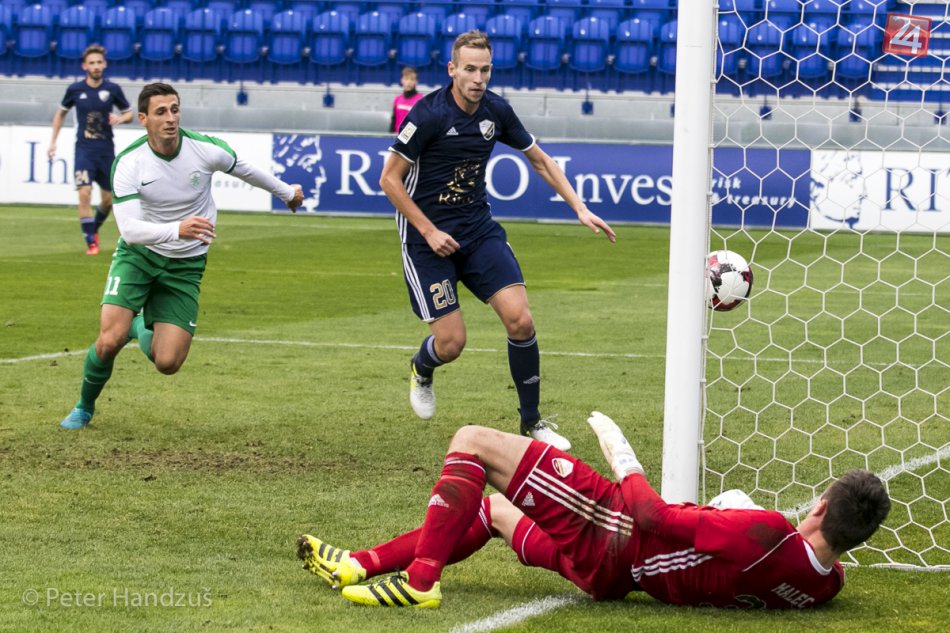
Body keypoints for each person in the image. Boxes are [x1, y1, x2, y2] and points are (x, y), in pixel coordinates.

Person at [297, 411, 890, 609]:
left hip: (613, 529)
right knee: (496, 511)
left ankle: (421, 581)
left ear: (820, 504)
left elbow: (653, 517)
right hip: (610, 579)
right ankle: (359, 564)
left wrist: (620, 453)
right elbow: (813, 563)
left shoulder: (769, 531)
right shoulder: (826, 585)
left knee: (472, 442)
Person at [379, 30, 616, 450]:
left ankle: (532, 422)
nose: (478, 78)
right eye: (469, 69)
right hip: (426, 239)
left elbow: (539, 160)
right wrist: (429, 231)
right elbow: (389, 180)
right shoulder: (428, 114)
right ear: (452, 70)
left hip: (477, 229)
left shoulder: (496, 110)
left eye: (485, 70)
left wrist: (579, 207)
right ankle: (422, 366)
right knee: (452, 343)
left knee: (521, 320)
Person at [59, 82, 304, 429]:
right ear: (143, 119)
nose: (171, 118)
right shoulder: (129, 162)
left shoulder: (204, 149)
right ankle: (84, 406)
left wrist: (287, 194)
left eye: (175, 109)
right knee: (110, 339)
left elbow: (245, 169)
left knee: (168, 362)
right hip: (139, 256)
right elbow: (130, 231)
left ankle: (138, 325)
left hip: (185, 265)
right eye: (161, 112)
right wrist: (178, 229)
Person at [48, 44, 133, 255]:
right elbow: (60, 113)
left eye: (99, 62)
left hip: (106, 151)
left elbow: (130, 114)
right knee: (84, 192)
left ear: (104, 64)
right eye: (92, 63)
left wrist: (120, 119)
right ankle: (91, 243)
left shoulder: (113, 89)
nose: (96, 66)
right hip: (84, 150)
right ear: (84, 66)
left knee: (109, 200)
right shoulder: (75, 90)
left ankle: (93, 229)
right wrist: (53, 142)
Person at [389, 66, 425, 134]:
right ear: (402, 80)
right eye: (406, 79)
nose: (409, 82)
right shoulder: (397, 99)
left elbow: (421, 123)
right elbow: (393, 120)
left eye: (412, 79)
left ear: (416, 81)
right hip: (397, 136)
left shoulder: (420, 100)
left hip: (413, 137)